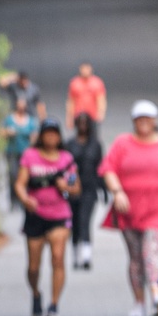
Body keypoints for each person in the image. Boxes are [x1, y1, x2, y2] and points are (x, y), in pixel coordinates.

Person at [99, 100, 158, 316]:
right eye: (139, 119)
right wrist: (117, 192)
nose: (144, 123)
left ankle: (157, 295)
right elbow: (108, 169)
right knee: (136, 258)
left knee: (151, 250)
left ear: (156, 120)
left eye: (148, 118)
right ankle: (139, 302)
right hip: (129, 210)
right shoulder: (123, 143)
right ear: (134, 121)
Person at [14, 119, 80, 316]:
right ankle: (35, 292)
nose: (51, 138)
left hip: (59, 216)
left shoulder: (66, 159)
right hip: (35, 216)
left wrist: (66, 188)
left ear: (59, 137)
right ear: (41, 136)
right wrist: (25, 199)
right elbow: (19, 184)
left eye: (54, 134)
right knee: (33, 267)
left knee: (58, 258)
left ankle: (53, 304)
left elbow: (76, 189)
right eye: (47, 134)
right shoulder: (30, 156)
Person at [65, 112, 103, 269]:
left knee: (85, 220)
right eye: (79, 122)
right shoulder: (69, 144)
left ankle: (86, 256)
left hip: (90, 188)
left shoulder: (95, 145)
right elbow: (65, 167)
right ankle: (75, 255)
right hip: (73, 189)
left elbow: (100, 167)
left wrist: (104, 188)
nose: (82, 126)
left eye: (85, 123)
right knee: (74, 222)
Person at [2, 94, 38, 209]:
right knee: (13, 175)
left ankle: (24, 199)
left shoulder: (31, 121)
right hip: (12, 151)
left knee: (25, 177)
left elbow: (35, 137)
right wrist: (8, 132)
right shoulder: (9, 119)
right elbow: (1, 133)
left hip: (25, 154)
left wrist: (32, 139)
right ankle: (13, 200)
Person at [65, 62, 107, 132]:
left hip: (92, 116)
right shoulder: (74, 83)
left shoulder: (97, 82)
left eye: (87, 68)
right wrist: (69, 118)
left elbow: (101, 99)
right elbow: (71, 101)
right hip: (78, 115)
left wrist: (101, 113)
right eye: (83, 69)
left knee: (93, 135)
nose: (85, 71)